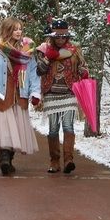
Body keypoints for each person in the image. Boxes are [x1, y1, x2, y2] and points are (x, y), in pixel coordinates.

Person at [0, 18, 41, 175]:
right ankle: (4, 160)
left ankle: (9, 160)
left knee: (17, 131)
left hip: (20, 96)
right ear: (7, 30)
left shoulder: (27, 50)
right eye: (15, 29)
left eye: (20, 28)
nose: (19, 32)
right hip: (1, 96)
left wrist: (35, 92)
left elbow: (33, 74)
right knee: (4, 130)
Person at [35, 18, 89, 174]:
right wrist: (48, 57)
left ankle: (68, 160)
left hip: (69, 92)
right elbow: (39, 70)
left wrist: (84, 73)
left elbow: (83, 67)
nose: (60, 39)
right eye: (57, 36)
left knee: (68, 126)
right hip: (51, 93)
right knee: (53, 129)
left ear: (67, 37)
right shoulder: (43, 50)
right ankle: (54, 161)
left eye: (63, 36)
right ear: (52, 36)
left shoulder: (75, 50)